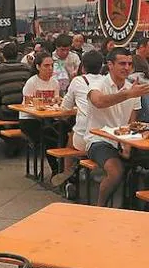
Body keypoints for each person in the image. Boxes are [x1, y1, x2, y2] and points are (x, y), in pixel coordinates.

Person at [83, 47, 149, 206]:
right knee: (115, 171)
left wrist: (128, 144)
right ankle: (100, 209)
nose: (126, 68)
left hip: (124, 141)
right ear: (110, 65)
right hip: (98, 139)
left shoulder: (132, 88)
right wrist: (127, 94)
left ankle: (136, 206)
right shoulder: (97, 83)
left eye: (129, 64)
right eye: (122, 63)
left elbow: (132, 123)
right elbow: (99, 102)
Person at [52, 50, 105, 188]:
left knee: (71, 139)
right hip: (106, 135)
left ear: (83, 67)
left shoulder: (78, 81)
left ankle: (68, 177)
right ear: (102, 66)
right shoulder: (107, 81)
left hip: (84, 138)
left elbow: (65, 108)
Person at [20, 52, 62, 176]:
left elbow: (56, 101)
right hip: (29, 119)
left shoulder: (54, 82)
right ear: (38, 67)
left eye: (52, 66)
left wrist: (58, 101)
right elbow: (27, 104)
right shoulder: (32, 82)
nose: (50, 69)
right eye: (46, 66)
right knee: (48, 136)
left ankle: (65, 168)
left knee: (63, 132)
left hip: (48, 118)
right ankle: (56, 170)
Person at [0, 42, 32, 156]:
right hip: (25, 109)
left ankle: (11, 141)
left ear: (3, 56)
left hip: (8, 110)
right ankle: (15, 141)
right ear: (18, 55)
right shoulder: (26, 68)